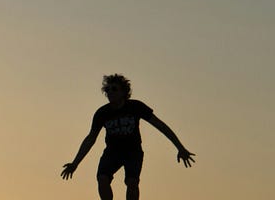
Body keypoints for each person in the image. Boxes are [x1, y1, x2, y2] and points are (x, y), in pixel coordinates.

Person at [60, 74, 195, 200]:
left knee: (132, 182)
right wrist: (75, 163)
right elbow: (90, 138)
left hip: (133, 152)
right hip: (112, 152)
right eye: (108, 89)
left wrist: (180, 147)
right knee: (102, 178)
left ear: (124, 92)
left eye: (114, 89)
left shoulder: (136, 107)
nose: (110, 92)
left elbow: (161, 126)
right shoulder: (102, 113)